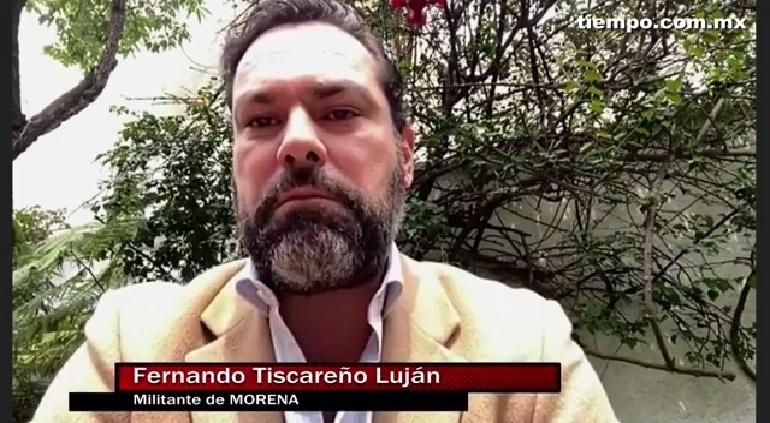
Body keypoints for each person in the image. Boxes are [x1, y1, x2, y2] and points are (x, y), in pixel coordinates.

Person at [32, 0, 619, 421]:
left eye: (339, 112)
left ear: (405, 155)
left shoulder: (526, 350)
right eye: (261, 120)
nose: (296, 143)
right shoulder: (132, 347)